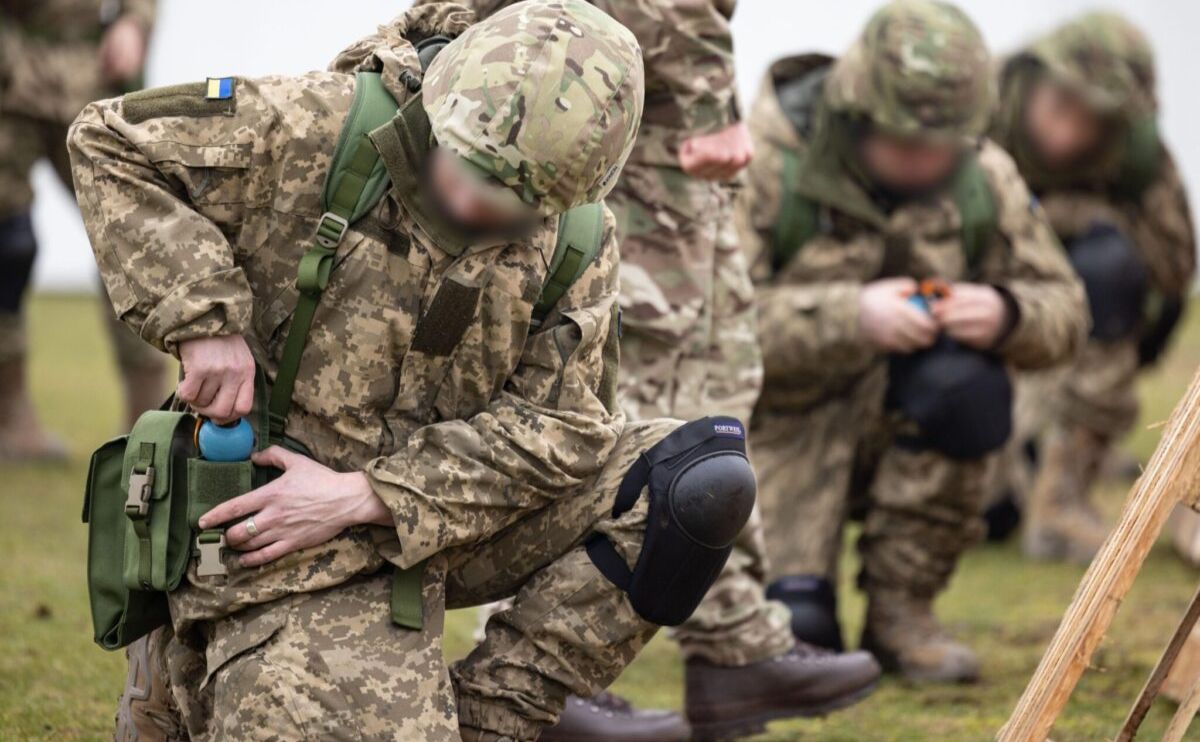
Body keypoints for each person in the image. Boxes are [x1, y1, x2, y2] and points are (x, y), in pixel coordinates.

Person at [72, 3, 762, 739]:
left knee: (699, 481)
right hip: (275, 538)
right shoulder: (315, 123)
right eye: (465, 167)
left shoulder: (579, 236)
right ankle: (180, 662)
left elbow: (563, 427)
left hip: (423, 513)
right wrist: (202, 321)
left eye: (511, 200)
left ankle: (490, 720)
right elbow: (110, 141)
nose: (468, 200)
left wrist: (373, 494)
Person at [457, 1, 882, 739]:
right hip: (613, 113)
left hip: (666, 128)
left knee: (716, 384)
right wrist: (705, 97)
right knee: (617, 397)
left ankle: (733, 645)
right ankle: (539, 671)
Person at [735, 0, 1087, 682]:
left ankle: (903, 613)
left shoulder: (985, 175)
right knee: (803, 637)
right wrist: (850, 317)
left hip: (909, 426)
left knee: (967, 389)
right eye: (905, 143)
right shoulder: (763, 163)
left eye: (944, 146)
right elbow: (708, 333)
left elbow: (1067, 309)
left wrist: (1009, 313)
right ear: (858, 113)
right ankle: (790, 589)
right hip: (778, 436)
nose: (927, 162)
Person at [991, 11, 1196, 563]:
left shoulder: (1136, 157)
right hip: (979, 313)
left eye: (1094, 122)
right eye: (1060, 108)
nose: (1067, 137)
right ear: (1033, 80)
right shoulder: (974, 109)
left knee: (1114, 265)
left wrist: (1090, 225)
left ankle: (1063, 494)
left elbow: (1175, 267)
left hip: (1085, 323)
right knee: (989, 516)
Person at [0, 0, 167, 456]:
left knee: (130, 240)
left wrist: (135, 22)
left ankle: (150, 418)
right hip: (9, 73)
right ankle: (10, 420)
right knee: (7, 245)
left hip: (89, 77)